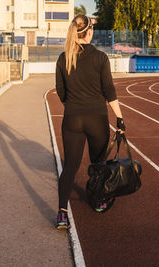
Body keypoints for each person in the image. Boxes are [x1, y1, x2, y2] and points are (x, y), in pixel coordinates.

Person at [55, 15, 126, 230]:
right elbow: (109, 92)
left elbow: (60, 91)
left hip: (72, 119)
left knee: (70, 167)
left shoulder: (63, 58)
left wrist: (73, 105)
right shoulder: (101, 58)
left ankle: (61, 214)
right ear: (89, 32)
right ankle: (97, 201)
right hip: (97, 119)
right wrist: (120, 119)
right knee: (98, 165)